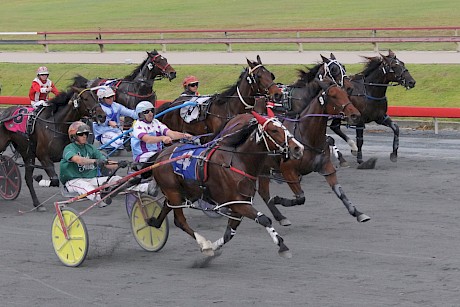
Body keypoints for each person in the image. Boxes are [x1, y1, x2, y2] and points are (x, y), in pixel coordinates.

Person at [60, 121, 153, 207]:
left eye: (86, 133)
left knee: (116, 179)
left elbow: (105, 163)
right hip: (73, 182)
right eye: (81, 134)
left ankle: (145, 187)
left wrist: (120, 164)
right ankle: (100, 199)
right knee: (85, 186)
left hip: (91, 179)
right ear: (73, 136)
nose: (84, 136)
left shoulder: (90, 148)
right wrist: (95, 161)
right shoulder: (69, 148)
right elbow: (78, 160)